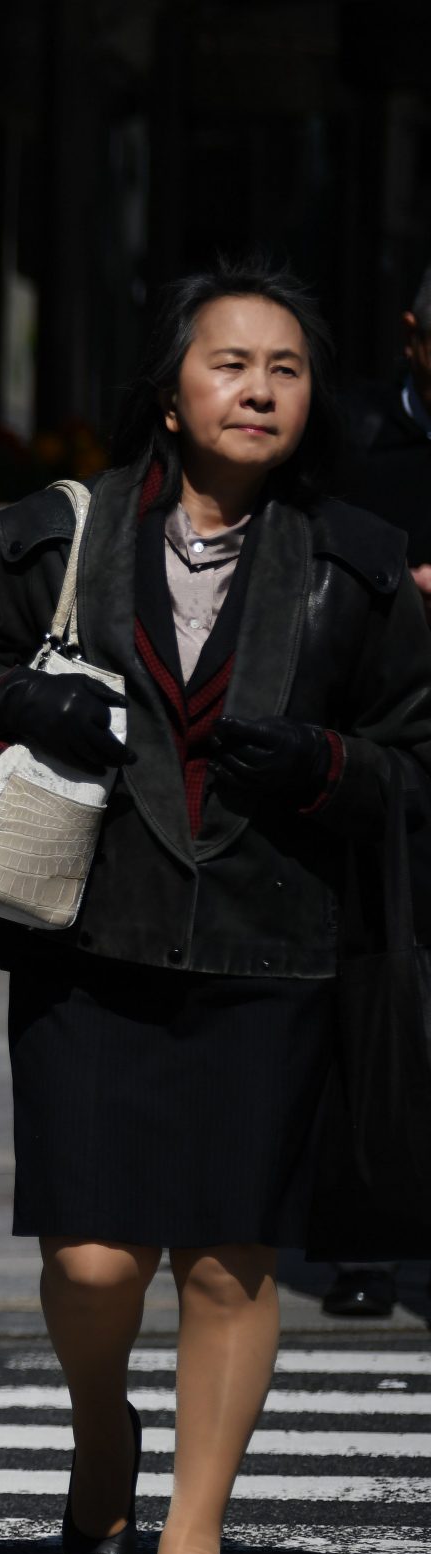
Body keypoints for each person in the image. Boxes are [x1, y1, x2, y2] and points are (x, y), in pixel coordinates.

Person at [0, 261, 431, 1554]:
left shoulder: (359, 562)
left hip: (272, 944)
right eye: (229, 362)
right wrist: (23, 697)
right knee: (92, 1258)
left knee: (231, 1258)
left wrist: (320, 758)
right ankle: (100, 1432)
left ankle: (193, 1536)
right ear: (172, 393)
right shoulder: (57, 528)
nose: (258, 387)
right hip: (92, 940)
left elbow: (415, 758)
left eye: (288, 368)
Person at [325, 263, 431, 1321]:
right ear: (414, 339)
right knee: (369, 992)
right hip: (386, 755)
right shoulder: (354, 441)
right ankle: (362, 1236)